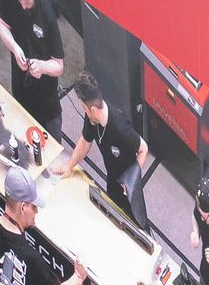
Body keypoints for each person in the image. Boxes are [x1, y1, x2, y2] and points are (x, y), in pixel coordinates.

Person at [51, 73, 149, 229]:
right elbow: (85, 141)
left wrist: (131, 182)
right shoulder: (92, 118)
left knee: (138, 225)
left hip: (129, 186)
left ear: (93, 109)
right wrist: (69, 166)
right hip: (112, 179)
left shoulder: (119, 126)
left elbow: (143, 149)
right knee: (115, 220)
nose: (83, 110)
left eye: (84, 108)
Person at [0, 0, 65, 134]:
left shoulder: (46, 12)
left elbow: (59, 66)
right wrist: (14, 47)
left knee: (53, 145)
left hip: (45, 98)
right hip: (20, 86)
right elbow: (2, 23)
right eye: (19, 0)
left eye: (26, 1)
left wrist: (41, 66)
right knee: (23, 135)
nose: (23, 6)